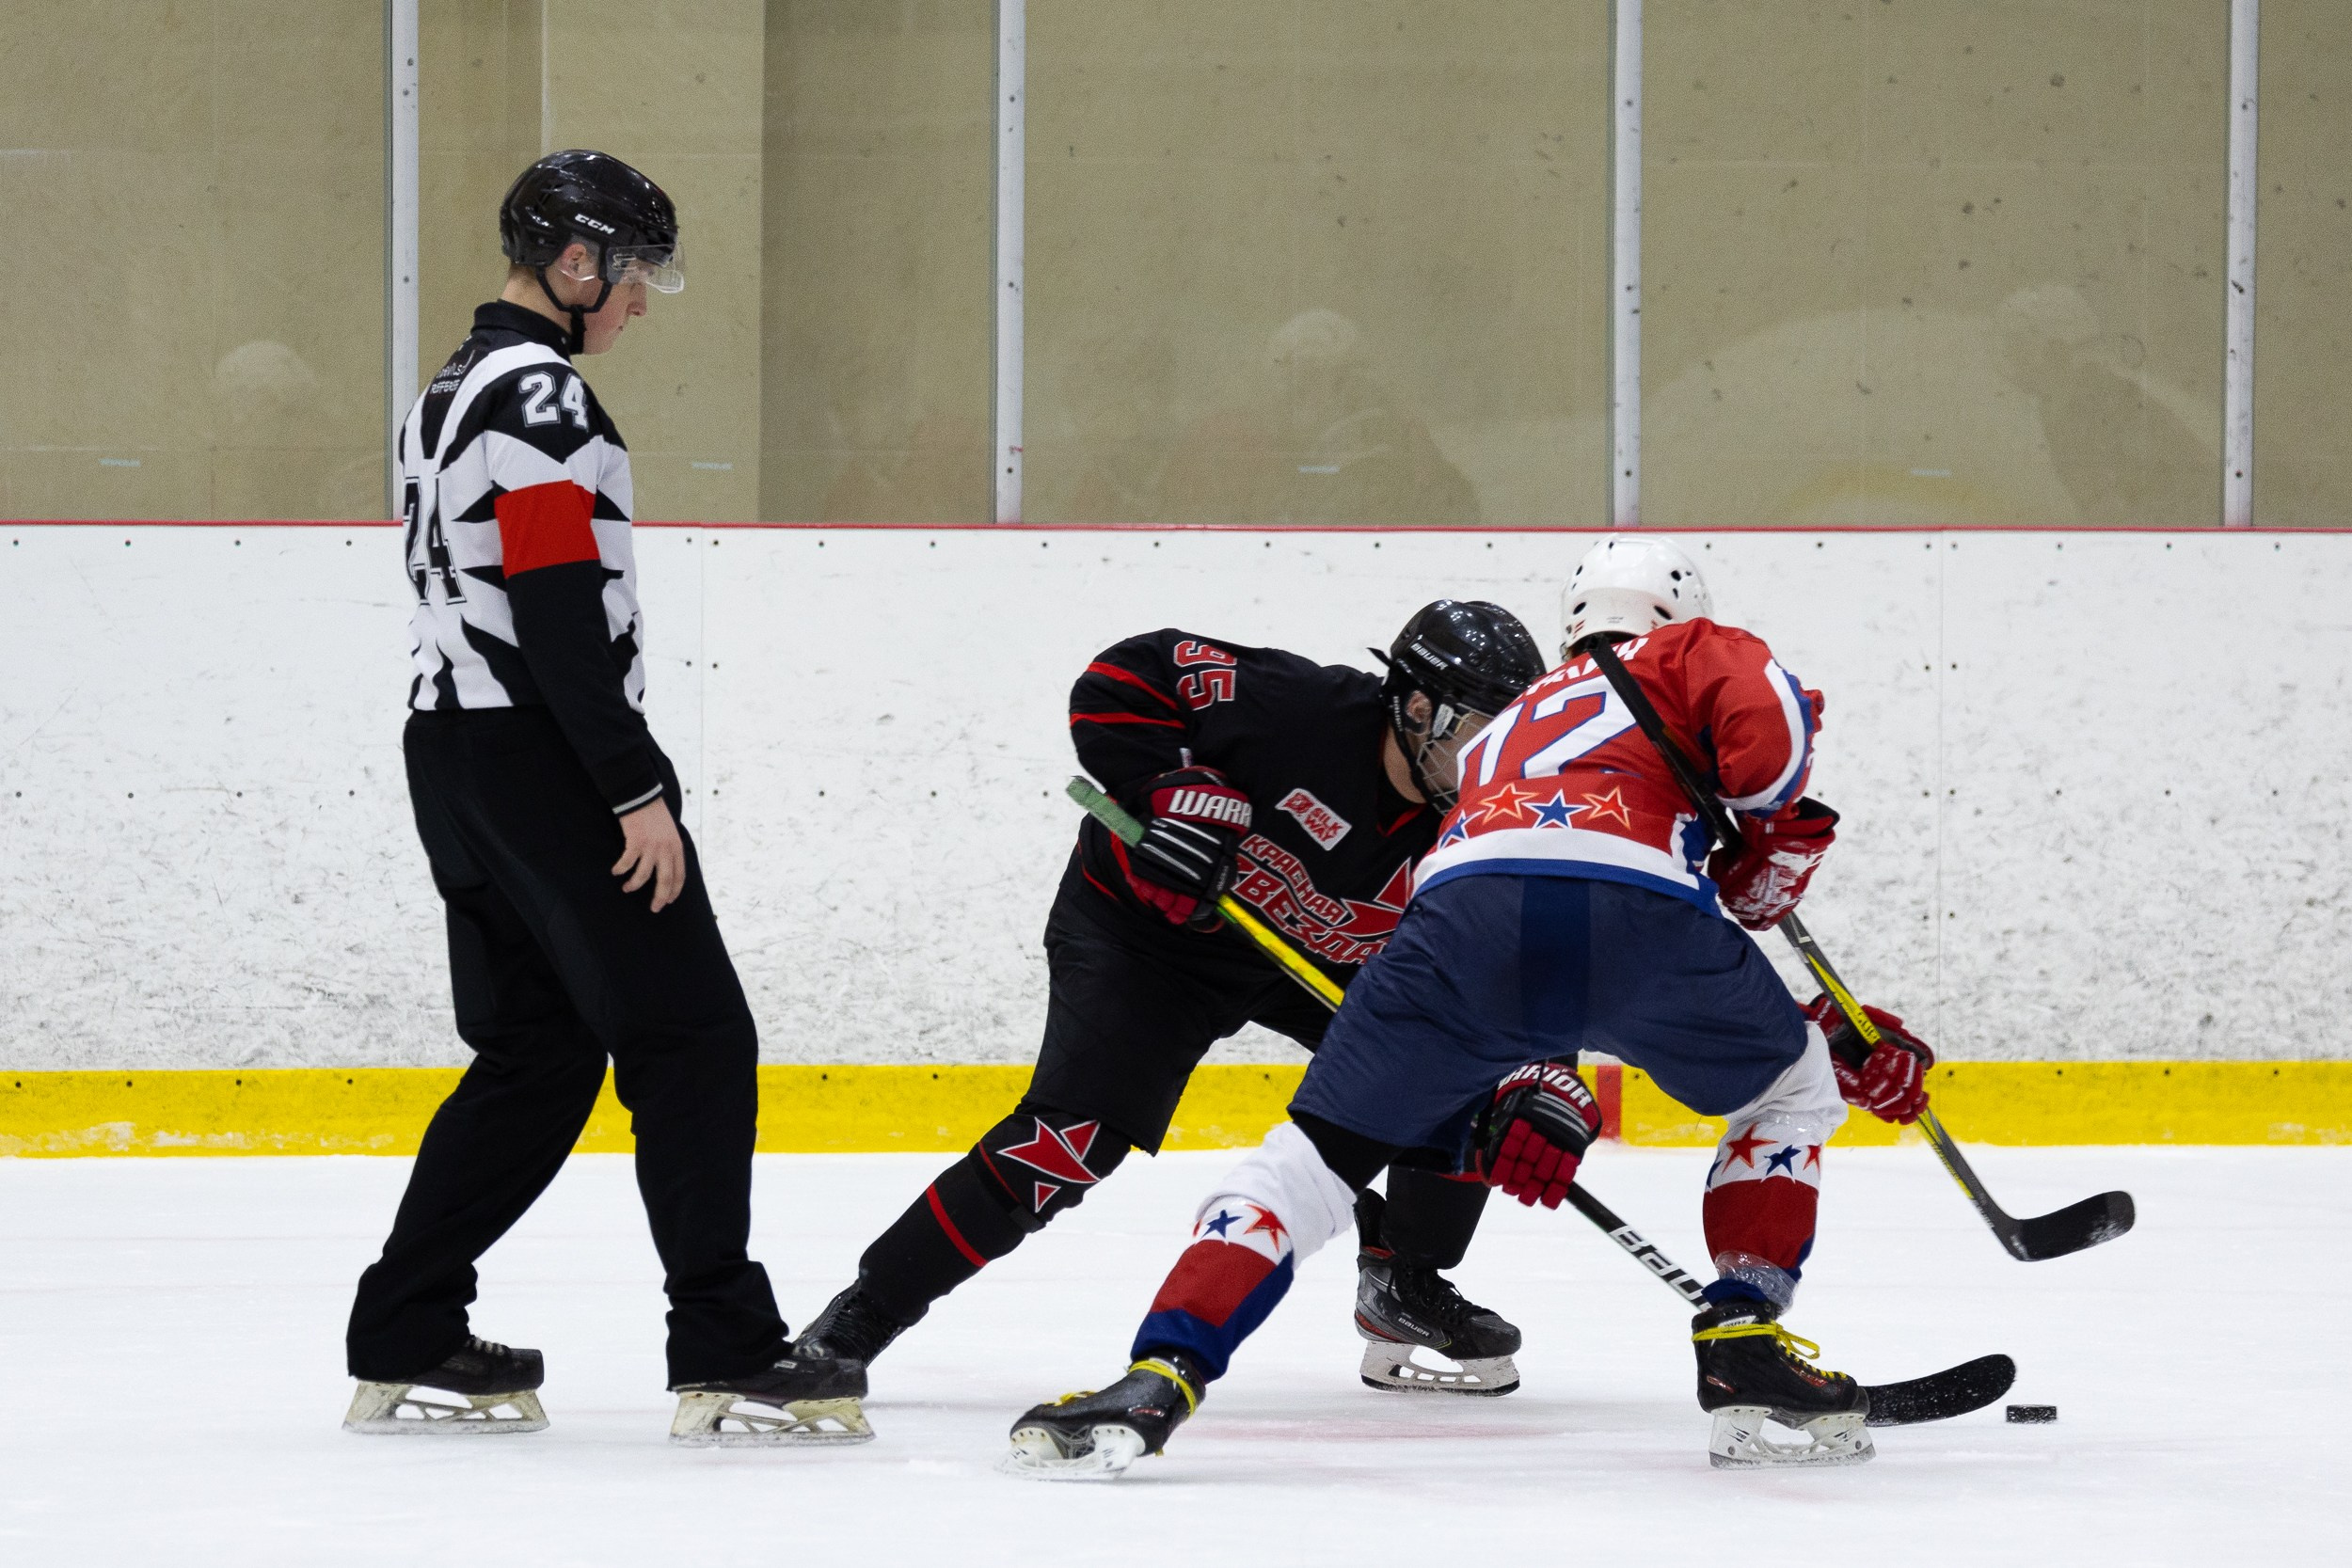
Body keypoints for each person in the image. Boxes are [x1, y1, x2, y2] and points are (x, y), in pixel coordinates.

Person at [1003, 535, 1938, 1479]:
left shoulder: (1506, 719)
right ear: (1679, 608)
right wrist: (1779, 849)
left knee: (1312, 1161)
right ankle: (1742, 1329)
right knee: (1790, 1087)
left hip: (1456, 917)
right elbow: (1759, 771)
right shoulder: (1692, 648)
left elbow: (1537, 901)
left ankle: (1160, 1369)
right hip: (1639, 909)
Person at [342, 150, 867, 1447]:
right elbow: (558, 611)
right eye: (634, 278)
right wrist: (634, 785)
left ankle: (407, 1322)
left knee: (541, 1049)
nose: (640, 304)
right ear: (577, 263)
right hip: (544, 757)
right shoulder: (542, 397)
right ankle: (729, 1343)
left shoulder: (450, 388)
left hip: (454, 757)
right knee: (695, 1036)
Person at [790, 601, 1549, 1399]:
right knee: (1069, 1139)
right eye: (1481, 735)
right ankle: (857, 1320)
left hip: (1305, 962)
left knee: (1467, 1074)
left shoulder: (1488, 820)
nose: (1496, 762)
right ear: (1419, 708)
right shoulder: (1296, 709)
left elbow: (1521, 962)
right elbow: (1127, 672)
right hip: (1145, 937)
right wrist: (1162, 784)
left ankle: (1404, 1283)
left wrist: (1537, 1072)